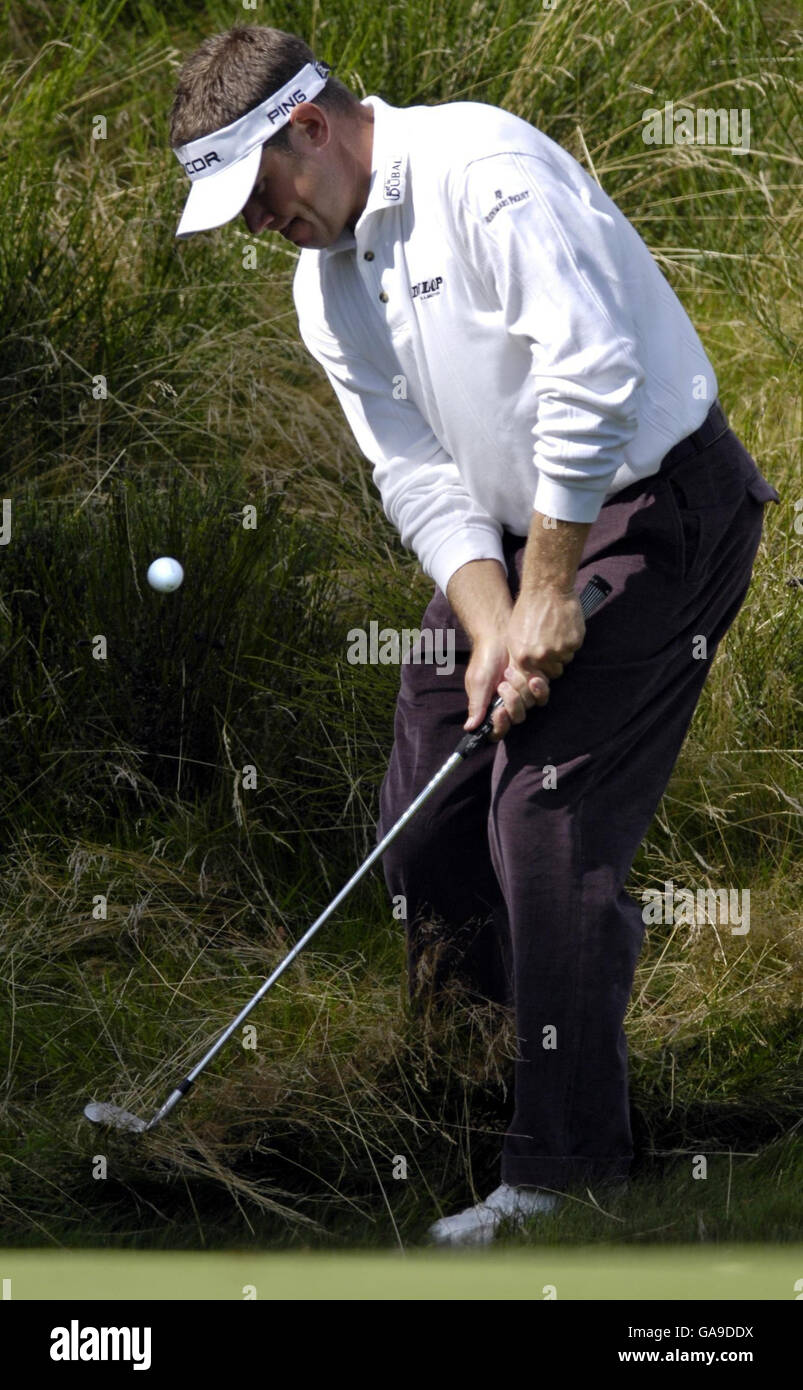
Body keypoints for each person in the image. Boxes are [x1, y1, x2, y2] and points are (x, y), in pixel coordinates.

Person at [169, 25, 780, 1245]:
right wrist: (496, 617)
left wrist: (550, 590)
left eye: (258, 194)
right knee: (426, 825)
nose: (255, 224)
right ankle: (475, 1076)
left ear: (311, 128)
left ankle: (563, 1173)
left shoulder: (478, 171)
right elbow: (412, 472)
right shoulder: (322, 283)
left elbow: (593, 374)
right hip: (509, 537)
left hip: (656, 504)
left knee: (542, 818)